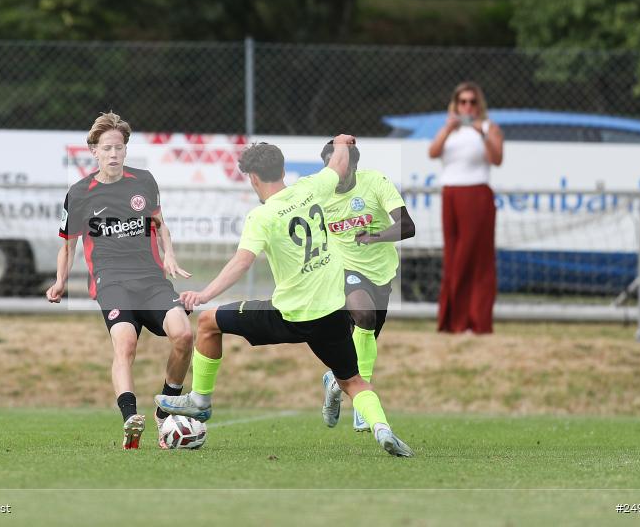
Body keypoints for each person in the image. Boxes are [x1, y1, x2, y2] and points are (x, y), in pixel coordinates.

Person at [155, 136, 414, 457]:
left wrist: (203, 294)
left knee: (208, 322)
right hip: (331, 312)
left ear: (252, 178)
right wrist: (344, 140)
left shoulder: (261, 217)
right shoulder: (312, 188)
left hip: (290, 314)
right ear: (282, 169)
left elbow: (242, 263)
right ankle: (383, 429)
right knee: (353, 381)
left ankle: (200, 401)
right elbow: (339, 162)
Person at [46, 112, 193, 450]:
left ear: (126, 151)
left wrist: (169, 254)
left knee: (184, 336)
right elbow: (67, 245)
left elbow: (160, 224)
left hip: (152, 281)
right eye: (107, 148)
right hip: (111, 282)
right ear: (94, 152)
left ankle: (164, 409)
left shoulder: (143, 181)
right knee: (125, 343)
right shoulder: (80, 193)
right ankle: (130, 417)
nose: (114, 154)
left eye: (119, 148)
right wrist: (60, 282)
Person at [315, 140, 415, 433]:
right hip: (342, 270)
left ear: (355, 166)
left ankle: (335, 382)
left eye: (341, 165)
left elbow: (407, 226)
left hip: (381, 274)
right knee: (365, 315)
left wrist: (376, 234)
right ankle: (364, 402)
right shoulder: (319, 193)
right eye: (329, 165)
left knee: (363, 341)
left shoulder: (376, 183)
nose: (334, 172)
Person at [427, 81, 503, 335]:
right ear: (456, 104)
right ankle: (452, 320)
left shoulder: (488, 127)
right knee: (453, 257)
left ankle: (476, 320)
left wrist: (482, 133)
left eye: (472, 102)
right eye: (463, 102)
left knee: (476, 259)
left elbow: (497, 159)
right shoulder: (451, 129)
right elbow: (433, 152)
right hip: (451, 193)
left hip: (476, 193)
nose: (467, 107)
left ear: (479, 105)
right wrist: (449, 129)